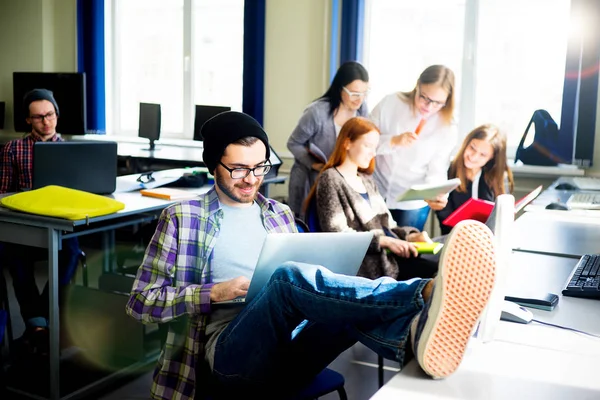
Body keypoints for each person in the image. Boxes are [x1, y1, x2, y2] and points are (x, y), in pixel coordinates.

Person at [126, 111, 497, 400]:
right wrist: (212, 293)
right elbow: (141, 303)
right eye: (239, 168)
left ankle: (415, 339)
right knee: (287, 278)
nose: (251, 178)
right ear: (213, 165)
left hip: (289, 350)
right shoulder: (182, 218)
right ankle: (425, 292)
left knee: (346, 304)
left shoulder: (278, 214)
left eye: (259, 167)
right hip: (227, 359)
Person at [305, 116, 438, 281]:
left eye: (375, 147)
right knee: (436, 275)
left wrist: (410, 237)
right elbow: (337, 234)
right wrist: (383, 241)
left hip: (387, 259)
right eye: (368, 146)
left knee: (441, 268)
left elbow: (389, 225)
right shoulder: (330, 179)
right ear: (347, 143)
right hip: (367, 266)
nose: (373, 153)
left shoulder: (367, 181)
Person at [0, 89, 82, 355]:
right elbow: (2, 196)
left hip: (61, 228)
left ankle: (39, 324)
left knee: (70, 253)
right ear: (28, 121)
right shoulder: (13, 149)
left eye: (50, 115)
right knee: (16, 260)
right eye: (38, 118)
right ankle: (40, 326)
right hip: (25, 228)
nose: (46, 122)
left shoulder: (71, 150)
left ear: (56, 114)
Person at [371, 65, 459, 231]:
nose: (428, 106)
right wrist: (393, 141)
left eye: (438, 102)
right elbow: (361, 140)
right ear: (417, 85)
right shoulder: (390, 103)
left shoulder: (447, 127)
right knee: (373, 249)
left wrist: (436, 194)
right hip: (376, 191)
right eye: (424, 97)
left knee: (407, 250)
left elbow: (437, 169)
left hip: (411, 204)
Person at [287, 61, 370, 217]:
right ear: (340, 88)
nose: (360, 99)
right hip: (310, 179)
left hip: (339, 180)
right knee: (308, 226)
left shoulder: (362, 110)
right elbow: (294, 143)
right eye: (354, 93)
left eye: (364, 93)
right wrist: (315, 165)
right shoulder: (317, 112)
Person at [436, 124, 514, 235]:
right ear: (466, 143)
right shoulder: (448, 171)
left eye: (483, 154)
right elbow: (444, 219)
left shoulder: (497, 178)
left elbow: (501, 219)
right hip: (455, 238)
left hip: (487, 239)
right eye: (472, 148)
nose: (473, 157)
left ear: (492, 157)